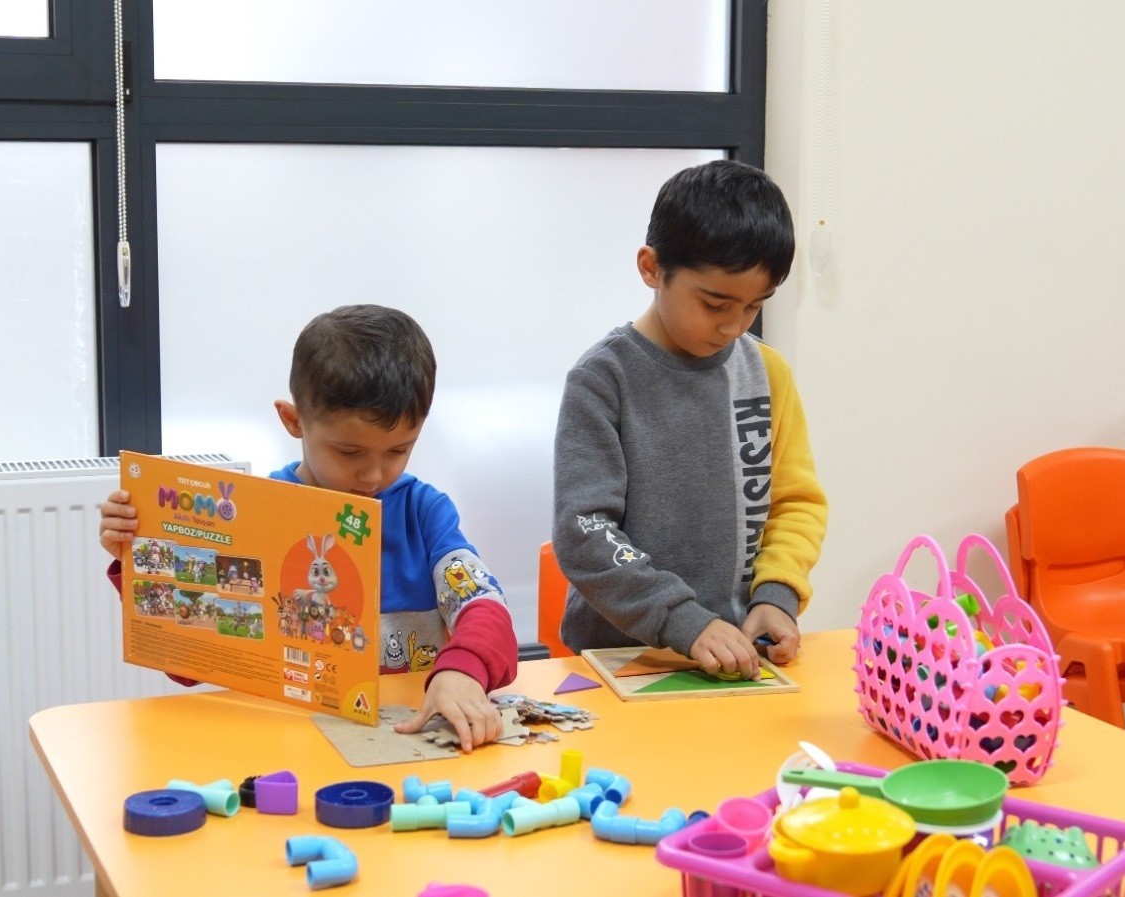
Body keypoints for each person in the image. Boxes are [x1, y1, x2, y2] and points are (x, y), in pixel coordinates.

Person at [99, 304, 517, 750]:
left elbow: (484, 607)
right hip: (293, 740)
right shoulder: (264, 513)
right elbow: (189, 662)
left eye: (398, 451)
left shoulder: (424, 511)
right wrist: (138, 559)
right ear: (293, 420)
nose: (374, 475)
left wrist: (462, 670)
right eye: (349, 452)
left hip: (413, 734)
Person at [552, 159, 828, 678]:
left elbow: (795, 504)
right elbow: (584, 530)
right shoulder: (602, 379)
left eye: (753, 306)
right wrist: (683, 620)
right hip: (621, 661)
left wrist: (777, 595)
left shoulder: (767, 373)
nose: (733, 326)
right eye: (715, 304)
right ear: (651, 268)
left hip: (738, 656)